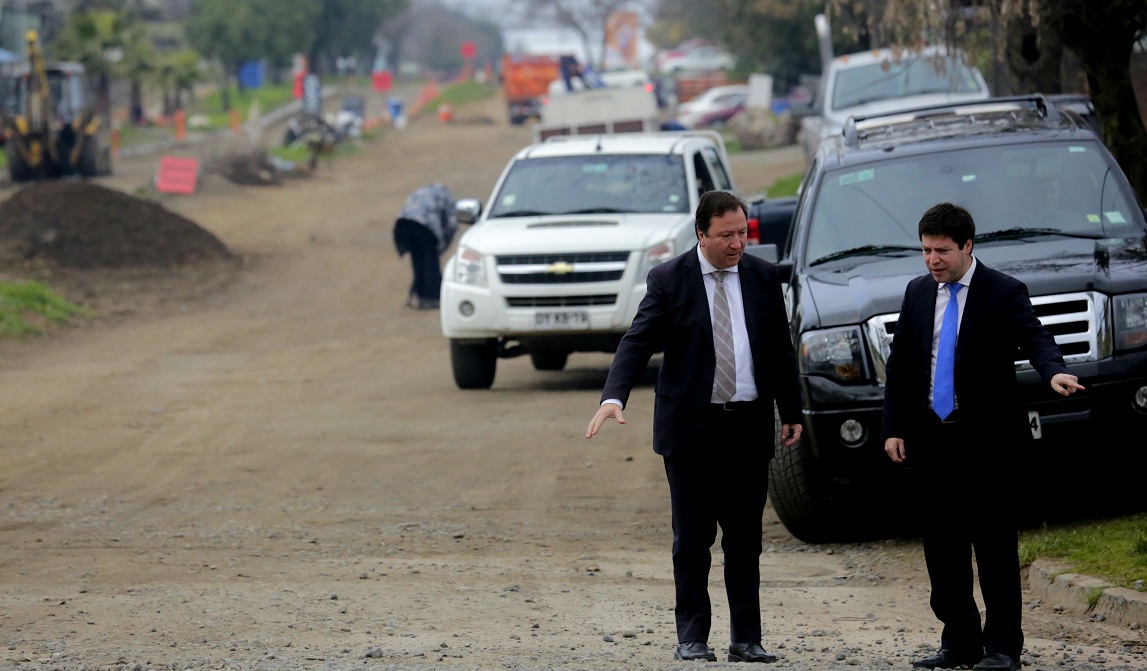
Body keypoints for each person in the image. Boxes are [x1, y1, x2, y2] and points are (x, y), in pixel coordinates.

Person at [585, 190, 803, 664]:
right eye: (726, 235)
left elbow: (779, 350)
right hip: (691, 430)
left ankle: (746, 638)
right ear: (701, 234)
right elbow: (637, 341)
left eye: (743, 233)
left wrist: (792, 412)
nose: (737, 243)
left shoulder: (764, 277)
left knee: (745, 540)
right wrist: (612, 397)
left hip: (746, 425)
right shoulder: (669, 279)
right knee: (693, 539)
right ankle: (692, 636)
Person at [881, 203, 1084, 671]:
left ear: (968, 246)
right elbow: (901, 367)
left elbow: (1035, 339)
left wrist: (1054, 372)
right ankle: (959, 642)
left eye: (943, 251)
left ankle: (1002, 649)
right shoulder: (916, 294)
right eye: (926, 250)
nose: (933, 260)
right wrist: (893, 427)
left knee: (994, 546)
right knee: (942, 547)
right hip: (932, 439)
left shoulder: (1002, 291)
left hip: (988, 443)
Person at [393, 183, 457, 310]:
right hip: (424, 225)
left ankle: (421, 295)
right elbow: (451, 224)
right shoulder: (446, 196)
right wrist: (442, 246)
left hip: (403, 224)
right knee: (430, 261)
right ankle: (432, 297)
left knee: (417, 259)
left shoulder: (421, 191)